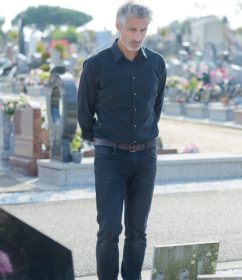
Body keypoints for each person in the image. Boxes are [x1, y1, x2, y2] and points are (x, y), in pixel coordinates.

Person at [77, 1, 166, 279]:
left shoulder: (157, 63)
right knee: (109, 229)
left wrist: (144, 138)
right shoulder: (95, 65)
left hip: (146, 158)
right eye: (132, 29)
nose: (137, 37)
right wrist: (104, 141)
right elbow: (84, 112)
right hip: (110, 159)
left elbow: (156, 107)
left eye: (143, 30)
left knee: (138, 230)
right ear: (118, 26)